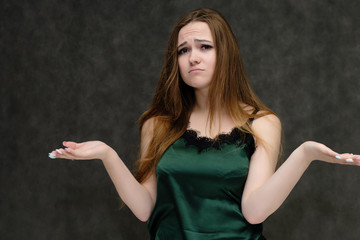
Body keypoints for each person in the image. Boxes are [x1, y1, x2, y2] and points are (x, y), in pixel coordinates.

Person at [49, 8, 359, 240]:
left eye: (204, 47)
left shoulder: (262, 123)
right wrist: (107, 155)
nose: (192, 57)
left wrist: (305, 155)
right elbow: (145, 208)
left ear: (226, 54)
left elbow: (254, 211)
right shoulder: (157, 124)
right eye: (183, 50)